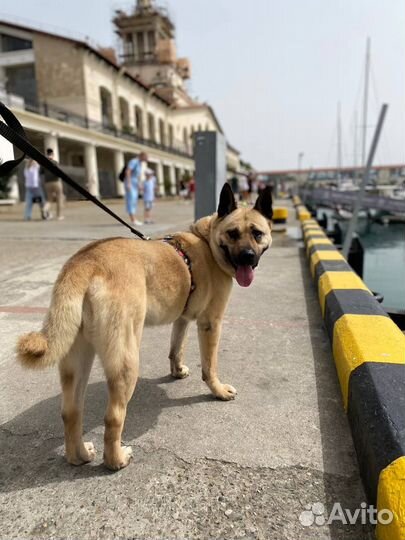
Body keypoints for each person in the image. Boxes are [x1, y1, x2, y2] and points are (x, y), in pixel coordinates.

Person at [41, 148, 64, 220]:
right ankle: (59, 216)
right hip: (56, 182)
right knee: (59, 198)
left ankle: (45, 209)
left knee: (49, 200)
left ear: (46, 154)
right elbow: (59, 172)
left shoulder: (43, 163)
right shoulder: (55, 162)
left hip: (47, 183)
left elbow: (41, 173)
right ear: (52, 154)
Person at [125, 152, 148, 226]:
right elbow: (128, 171)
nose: (147, 158)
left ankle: (134, 219)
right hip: (130, 183)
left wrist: (139, 185)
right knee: (131, 201)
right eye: (146, 157)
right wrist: (128, 183)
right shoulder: (134, 161)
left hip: (135, 183)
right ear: (142, 156)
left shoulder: (140, 164)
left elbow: (137, 176)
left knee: (134, 201)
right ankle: (133, 219)